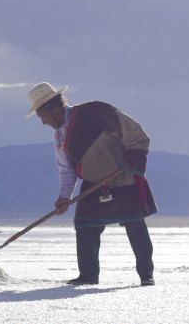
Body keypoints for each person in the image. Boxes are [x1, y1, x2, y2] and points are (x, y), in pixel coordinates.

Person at [26, 82, 158, 286]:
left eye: (41, 116)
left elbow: (134, 131)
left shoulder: (94, 111)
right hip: (93, 182)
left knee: (134, 223)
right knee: (84, 225)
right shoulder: (59, 135)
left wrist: (132, 159)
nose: (43, 123)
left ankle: (146, 275)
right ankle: (88, 276)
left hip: (123, 176)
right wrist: (64, 196)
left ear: (52, 108)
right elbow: (67, 169)